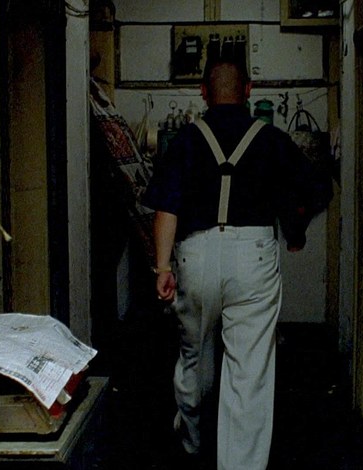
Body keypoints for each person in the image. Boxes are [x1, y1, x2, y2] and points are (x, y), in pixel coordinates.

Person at [142, 58, 332, 469]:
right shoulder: (271, 139)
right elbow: (312, 189)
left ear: (203, 93)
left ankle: (192, 440)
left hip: (196, 255)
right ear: (248, 90)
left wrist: (163, 267)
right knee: (249, 370)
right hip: (254, 256)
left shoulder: (186, 140)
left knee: (193, 355)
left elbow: (166, 209)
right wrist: (295, 232)